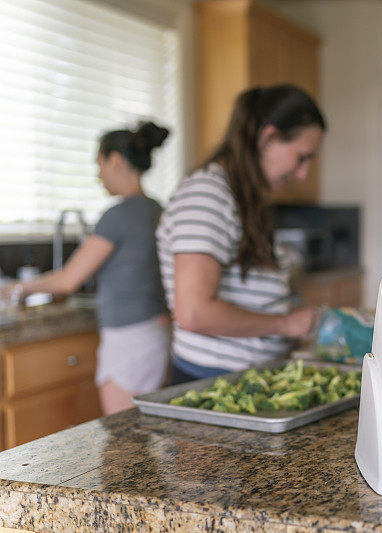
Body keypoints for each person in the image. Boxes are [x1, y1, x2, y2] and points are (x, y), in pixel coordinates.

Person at [156, 85, 325, 384]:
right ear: (268, 138)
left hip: (244, 378)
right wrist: (285, 324)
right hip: (215, 383)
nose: (303, 174)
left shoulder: (239, 198)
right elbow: (194, 312)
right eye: (302, 157)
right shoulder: (207, 195)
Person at [1, 122, 171, 415]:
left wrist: (18, 288)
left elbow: (69, 279)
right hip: (156, 331)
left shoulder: (118, 215)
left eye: (99, 164)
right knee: (146, 433)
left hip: (128, 340)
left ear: (115, 160)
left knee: (124, 439)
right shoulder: (156, 208)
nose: (98, 175)